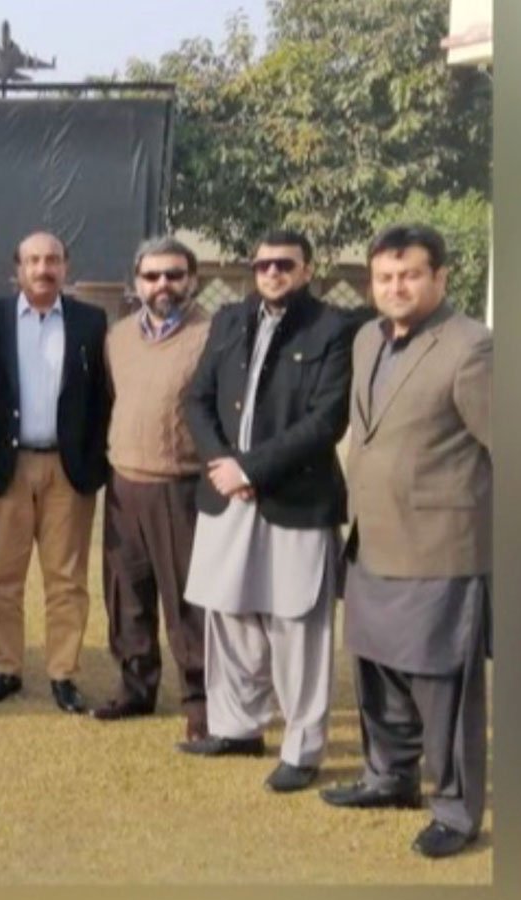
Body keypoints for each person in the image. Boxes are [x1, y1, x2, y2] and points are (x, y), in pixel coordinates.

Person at [320, 225, 491, 859]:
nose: (396, 287)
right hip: (371, 537)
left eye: (411, 275)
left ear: (440, 277)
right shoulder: (367, 337)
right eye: (385, 277)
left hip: (439, 548)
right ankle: (389, 778)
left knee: (442, 688)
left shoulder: (472, 348)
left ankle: (456, 810)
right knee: (376, 670)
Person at [179, 229, 354, 795]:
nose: (272, 273)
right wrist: (222, 464)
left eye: (284, 264)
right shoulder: (230, 320)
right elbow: (196, 399)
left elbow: (327, 420)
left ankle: (302, 749)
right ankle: (236, 728)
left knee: (296, 624)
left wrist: (251, 469)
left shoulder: (332, 328)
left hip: (294, 497)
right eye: (263, 265)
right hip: (226, 493)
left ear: (307, 269)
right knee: (228, 614)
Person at [0, 231, 109, 714]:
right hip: (8, 466)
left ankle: (63, 673)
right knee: (3, 577)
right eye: (33, 260)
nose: (43, 269)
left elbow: (102, 398)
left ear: (66, 267)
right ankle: (4, 667)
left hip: (69, 469)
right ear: (18, 268)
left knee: (66, 579)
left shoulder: (91, 321)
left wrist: (95, 460)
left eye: (52, 260)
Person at [91, 236, 211, 738]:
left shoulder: (212, 334)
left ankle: (201, 700)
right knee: (126, 593)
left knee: (187, 600)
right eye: (152, 276)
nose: (163, 284)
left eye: (174, 275)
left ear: (192, 279)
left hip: (180, 486)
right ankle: (135, 687)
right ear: (136, 282)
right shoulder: (118, 337)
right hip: (124, 483)